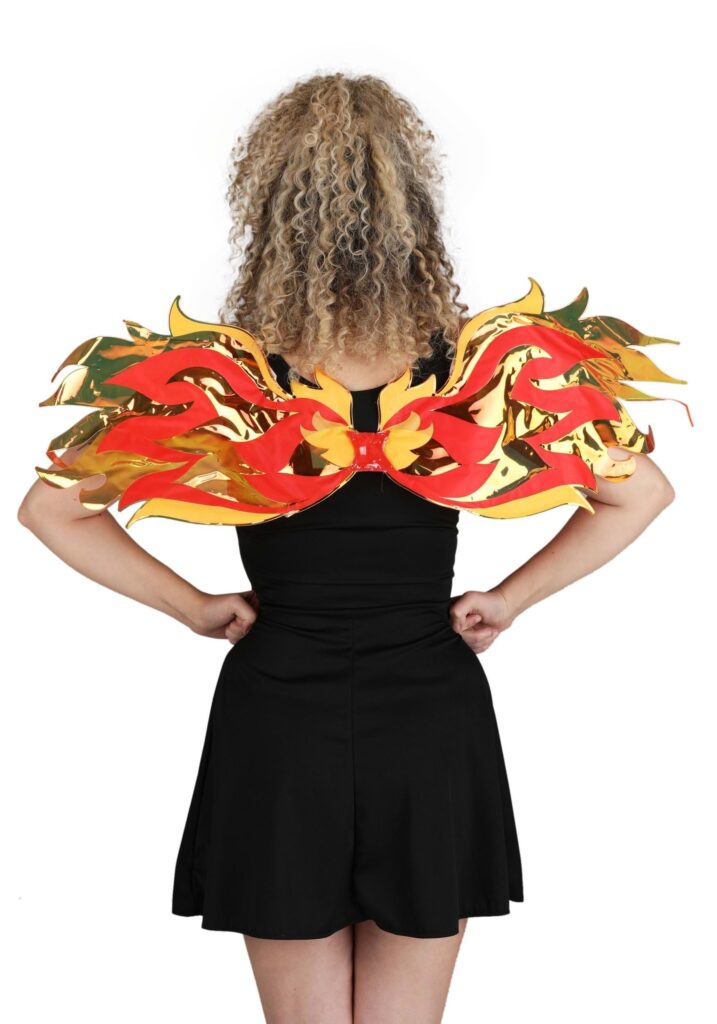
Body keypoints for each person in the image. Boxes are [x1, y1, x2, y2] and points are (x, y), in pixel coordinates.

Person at [17, 72, 682, 1024]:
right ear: (412, 211)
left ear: (271, 212)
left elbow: (52, 511)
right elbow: (639, 492)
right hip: (430, 710)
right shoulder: (480, 367)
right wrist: (507, 599)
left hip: (278, 713)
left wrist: (197, 610)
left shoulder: (223, 379)